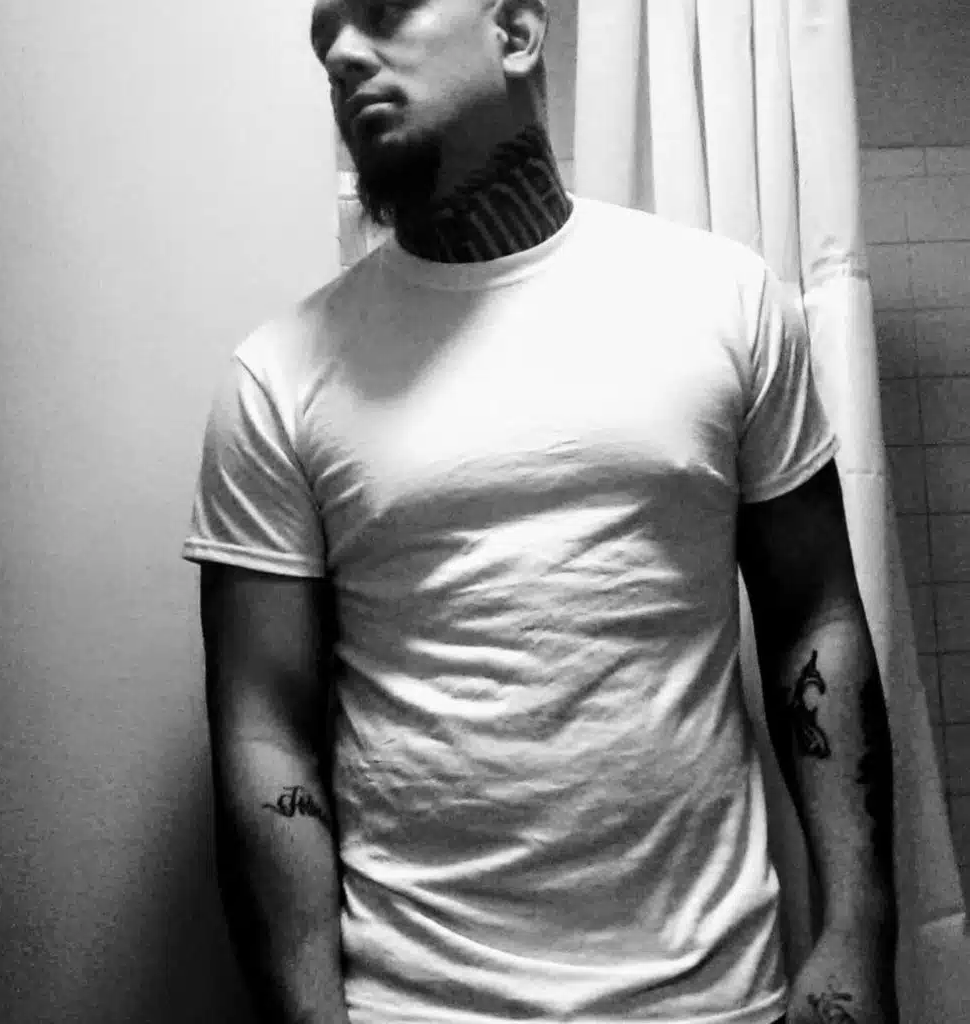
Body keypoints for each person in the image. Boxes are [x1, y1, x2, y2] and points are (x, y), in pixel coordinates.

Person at [181, 1, 900, 1022]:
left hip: (715, 996)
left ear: (516, 33)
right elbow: (264, 730)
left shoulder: (723, 300)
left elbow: (814, 616)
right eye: (323, 36)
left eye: (382, 11)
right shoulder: (278, 377)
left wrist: (858, 936)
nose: (340, 52)